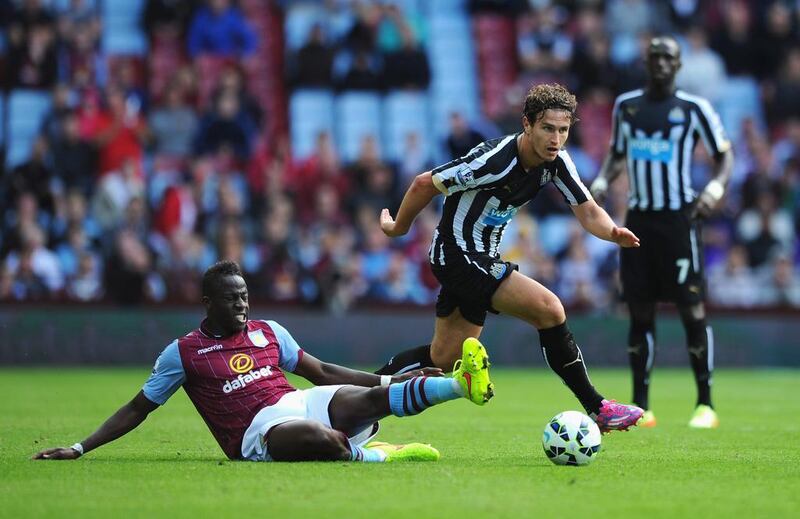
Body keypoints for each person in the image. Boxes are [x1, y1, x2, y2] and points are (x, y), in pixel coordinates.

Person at [375, 83, 644, 433]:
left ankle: (349, 397)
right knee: (549, 309)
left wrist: (612, 232)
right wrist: (398, 227)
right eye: (548, 128)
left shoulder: (557, 162)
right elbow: (425, 183)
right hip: (457, 255)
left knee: (443, 358)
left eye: (563, 130)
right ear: (527, 124)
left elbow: (588, 209)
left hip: (479, 257)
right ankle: (598, 407)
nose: (556, 138)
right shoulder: (495, 160)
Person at [33, 261, 493, 463]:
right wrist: (79, 447)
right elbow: (139, 407)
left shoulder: (268, 331)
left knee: (373, 399)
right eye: (232, 299)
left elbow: (323, 373)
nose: (242, 305)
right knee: (323, 438)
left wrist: (394, 377)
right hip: (256, 432)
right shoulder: (184, 352)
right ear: (208, 302)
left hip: (298, 401)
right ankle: (376, 458)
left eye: (245, 297)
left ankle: (458, 385)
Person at [590, 36, 734, 429]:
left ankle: (705, 404)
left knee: (692, 310)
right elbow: (617, 154)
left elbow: (724, 154)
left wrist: (715, 189)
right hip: (638, 220)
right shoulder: (627, 106)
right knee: (639, 312)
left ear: (679, 65)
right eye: (654, 57)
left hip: (678, 220)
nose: (660, 64)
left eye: (668, 58)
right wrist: (602, 181)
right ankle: (641, 407)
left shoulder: (692, 108)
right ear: (646, 62)